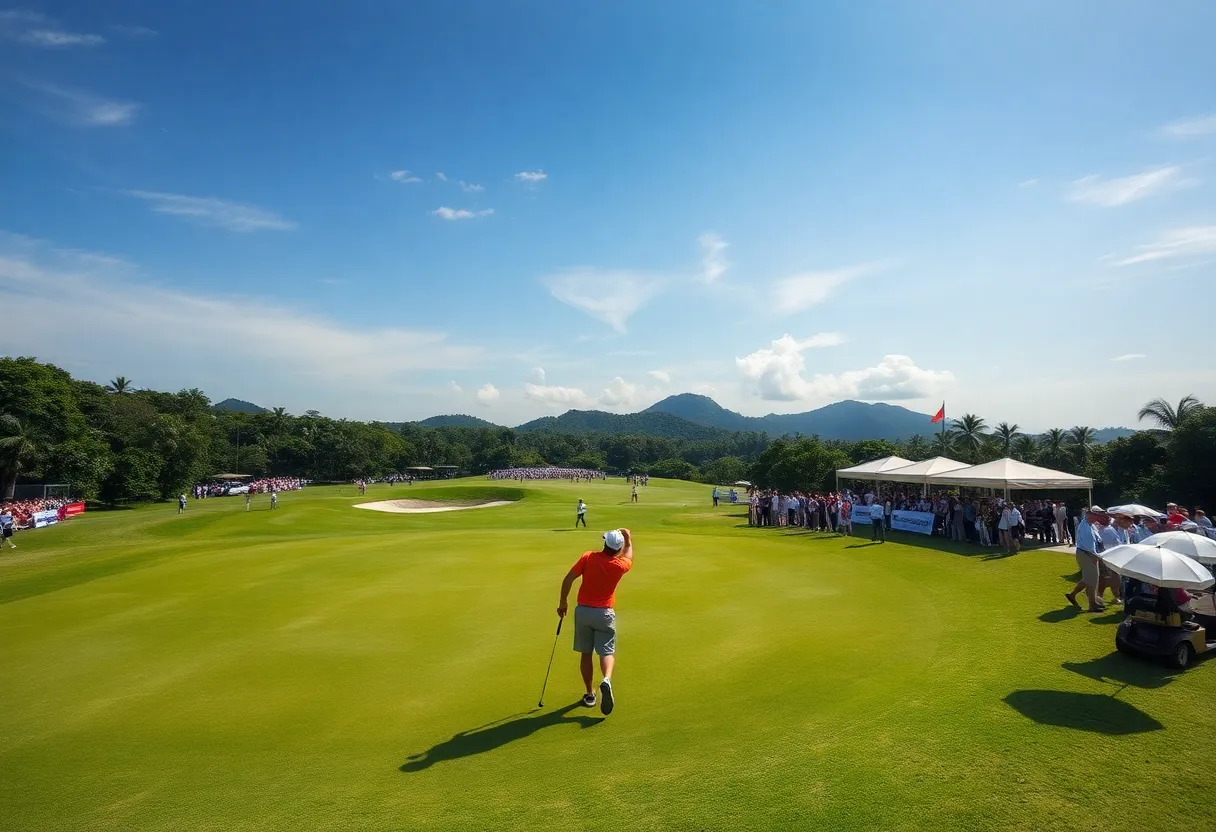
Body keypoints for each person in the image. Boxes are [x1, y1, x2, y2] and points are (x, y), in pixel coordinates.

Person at [557, 528, 634, 715]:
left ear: (604, 542)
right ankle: (606, 679)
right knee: (607, 651)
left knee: (586, 654)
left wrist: (563, 603)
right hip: (604, 614)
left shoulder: (588, 557)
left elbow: (568, 578)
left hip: (583, 612)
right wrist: (627, 537)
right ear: (618, 548)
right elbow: (629, 552)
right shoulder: (620, 565)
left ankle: (590, 694)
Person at [1066, 507, 1107, 612]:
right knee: (1091, 580)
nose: (1098, 517)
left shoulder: (1090, 525)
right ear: (1090, 515)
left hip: (1089, 554)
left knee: (1091, 579)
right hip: (1087, 554)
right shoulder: (1086, 527)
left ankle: (1077, 597)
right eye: (1097, 515)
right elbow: (1087, 546)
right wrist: (1094, 557)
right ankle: (1091, 605)